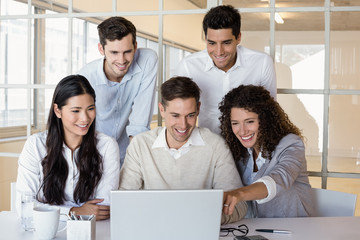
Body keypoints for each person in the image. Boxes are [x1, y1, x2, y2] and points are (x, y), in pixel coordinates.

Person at [119, 76, 247, 224]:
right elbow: (124, 201)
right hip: (153, 229)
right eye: (175, 116)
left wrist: (193, 220)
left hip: (198, 230)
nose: (183, 125)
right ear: (162, 109)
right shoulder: (141, 145)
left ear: (198, 109)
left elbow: (239, 205)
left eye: (190, 115)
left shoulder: (215, 145)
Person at [16, 75, 120, 220]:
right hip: (44, 230)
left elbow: (102, 208)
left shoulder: (107, 146)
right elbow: (25, 208)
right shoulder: (35, 146)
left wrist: (48, 210)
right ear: (57, 110)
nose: (85, 118)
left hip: (90, 230)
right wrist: (73, 211)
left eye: (90, 108)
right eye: (76, 111)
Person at [175, 5, 276, 135]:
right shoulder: (188, 66)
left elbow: (270, 112)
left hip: (248, 144)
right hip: (208, 145)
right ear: (205, 39)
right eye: (212, 43)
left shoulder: (261, 63)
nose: (219, 52)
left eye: (226, 43)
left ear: (238, 37)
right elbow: (177, 111)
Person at [219, 84, 314, 218]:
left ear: (265, 120)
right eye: (235, 123)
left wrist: (239, 194)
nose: (242, 131)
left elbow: (279, 179)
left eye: (249, 121)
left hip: (296, 230)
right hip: (258, 230)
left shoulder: (291, 144)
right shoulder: (240, 152)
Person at [78, 16, 158, 166]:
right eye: (114, 52)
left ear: (135, 46)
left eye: (127, 51)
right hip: (94, 156)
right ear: (101, 49)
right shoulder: (85, 77)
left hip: (130, 153)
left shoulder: (147, 60)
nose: (122, 61)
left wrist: (135, 165)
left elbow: (140, 121)